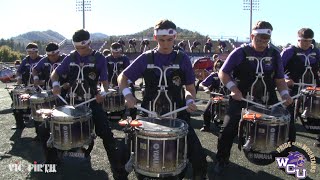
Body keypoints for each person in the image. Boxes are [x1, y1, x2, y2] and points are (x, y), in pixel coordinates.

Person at [118, 19, 208, 179]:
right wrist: (127, 94)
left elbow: (190, 89)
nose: (165, 44)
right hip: (148, 115)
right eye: (161, 40)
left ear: (175, 37)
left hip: (177, 116)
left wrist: (189, 100)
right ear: (155, 38)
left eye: (169, 40)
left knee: (200, 159)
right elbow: (122, 78)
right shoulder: (146, 58)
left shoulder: (183, 59)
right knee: (121, 156)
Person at [215, 21, 293, 175]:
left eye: (266, 40)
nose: (263, 43)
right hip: (241, 97)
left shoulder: (274, 54)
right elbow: (223, 73)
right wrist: (233, 89)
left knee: (289, 127)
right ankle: (221, 159)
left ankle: (284, 161)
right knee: (228, 129)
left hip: (267, 97)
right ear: (252, 36)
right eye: (259, 39)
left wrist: (285, 94)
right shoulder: (240, 52)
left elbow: (279, 79)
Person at [51, 29, 128, 180]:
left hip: (92, 101)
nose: (80, 51)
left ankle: (117, 167)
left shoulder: (99, 58)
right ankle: (54, 163)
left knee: (106, 134)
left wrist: (103, 94)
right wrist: (55, 84)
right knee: (54, 129)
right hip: (72, 103)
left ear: (90, 43)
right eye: (77, 48)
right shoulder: (70, 57)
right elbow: (55, 73)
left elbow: (105, 85)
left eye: (83, 48)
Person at [281, 28, 320, 145]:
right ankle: (289, 142)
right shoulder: (289, 51)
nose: (307, 44)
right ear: (298, 39)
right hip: (293, 88)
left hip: (313, 89)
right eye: (304, 41)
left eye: (309, 41)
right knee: (289, 117)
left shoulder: (316, 52)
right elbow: (277, 69)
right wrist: (285, 78)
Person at [12, 43, 42, 130]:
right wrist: (19, 78)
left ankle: (39, 131)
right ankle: (20, 125)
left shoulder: (43, 59)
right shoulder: (26, 60)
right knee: (17, 108)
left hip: (39, 88)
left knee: (38, 109)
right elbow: (18, 71)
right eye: (29, 53)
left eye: (33, 53)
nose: (31, 55)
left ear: (37, 51)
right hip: (27, 87)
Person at [199, 59, 226, 132]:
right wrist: (206, 88)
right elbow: (202, 84)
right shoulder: (214, 75)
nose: (219, 68)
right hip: (215, 98)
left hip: (228, 98)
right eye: (217, 67)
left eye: (221, 66)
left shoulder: (228, 75)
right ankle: (206, 126)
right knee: (206, 112)